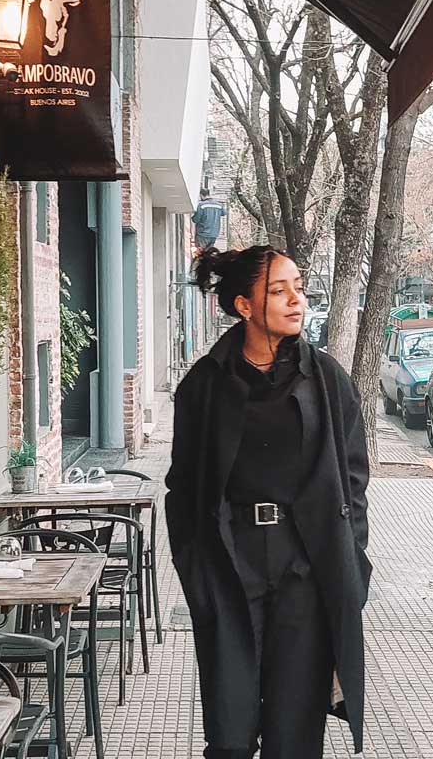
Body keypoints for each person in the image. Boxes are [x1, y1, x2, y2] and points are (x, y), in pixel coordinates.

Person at [165, 245, 372, 759]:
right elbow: (182, 489)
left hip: (304, 568)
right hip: (230, 567)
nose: (296, 300)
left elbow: (353, 482)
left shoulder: (327, 380)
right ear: (244, 306)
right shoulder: (205, 385)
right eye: (279, 291)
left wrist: (353, 563)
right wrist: (196, 575)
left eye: (298, 287)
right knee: (230, 737)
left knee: (295, 736)